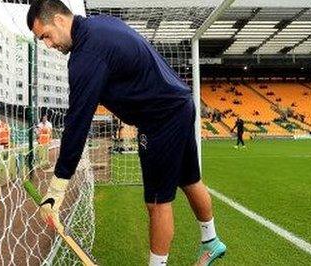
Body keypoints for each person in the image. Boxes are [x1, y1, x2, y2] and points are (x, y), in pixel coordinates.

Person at [26, 1, 225, 265]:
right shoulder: (100, 24)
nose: (48, 45)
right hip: (179, 103)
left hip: (160, 118)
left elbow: (78, 122)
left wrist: (57, 188)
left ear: (60, 20)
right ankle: (212, 242)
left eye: (46, 36)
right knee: (189, 180)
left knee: (157, 202)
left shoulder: (87, 54)